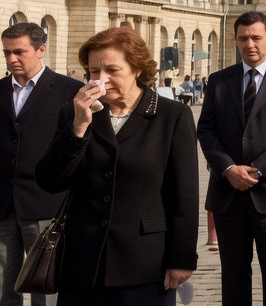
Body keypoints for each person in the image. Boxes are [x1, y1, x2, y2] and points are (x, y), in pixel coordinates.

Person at [36, 26, 198, 304]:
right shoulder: (75, 112)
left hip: (144, 263)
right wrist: (78, 128)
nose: (101, 80)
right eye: (94, 71)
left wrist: (181, 258)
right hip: (83, 265)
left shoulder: (172, 116)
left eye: (112, 70)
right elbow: (50, 181)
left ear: (137, 69)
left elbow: (184, 195)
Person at [196, 12, 266, 306]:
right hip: (227, 193)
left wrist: (257, 170)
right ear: (235, 41)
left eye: (256, 37)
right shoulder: (220, 80)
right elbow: (206, 130)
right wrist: (228, 168)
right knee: (233, 277)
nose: (250, 44)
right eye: (243, 38)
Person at [0, 22, 83, 306]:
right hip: (3, 206)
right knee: (2, 289)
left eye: (19, 52)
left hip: (46, 203)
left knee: (45, 287)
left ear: (41, 50)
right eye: (7, 53)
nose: (12, 59)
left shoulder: (70, 91)